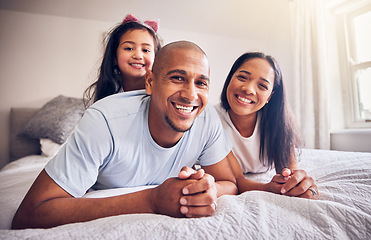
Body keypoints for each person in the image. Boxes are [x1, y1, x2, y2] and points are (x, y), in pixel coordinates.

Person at [12, 41, 237, 229]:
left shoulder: (207, 119)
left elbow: (229, 183)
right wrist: (152, 200)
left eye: (201, 83)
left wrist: (200, 191)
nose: (191, 95)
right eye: (177, 78)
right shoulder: (104, 120)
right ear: (149, 82)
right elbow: (29, 214)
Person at [215, 52, 318, 199]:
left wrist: (295, 183)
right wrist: (269, 188)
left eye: (262, 86)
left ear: (270, 96)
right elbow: (237, 181)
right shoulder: (213, 120)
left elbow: (290, 170)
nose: (248, 89)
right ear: (230, 78)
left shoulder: (279, 121)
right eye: (242, 77)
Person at [83, 14, 162, 107]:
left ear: (156, 58)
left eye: (145, 50)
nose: (138, 56)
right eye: (129, 48)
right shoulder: (106, 97)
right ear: (114, 57)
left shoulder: (160, 94)